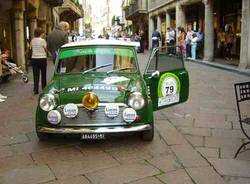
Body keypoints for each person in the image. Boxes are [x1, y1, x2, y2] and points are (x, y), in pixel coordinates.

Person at [30, 28, 47, 95]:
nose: (44, 34)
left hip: (34, 59)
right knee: (43, 74)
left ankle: (36, 89)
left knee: (35, 75)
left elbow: (30, 48)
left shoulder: (32, 40)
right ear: (40, 33)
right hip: (42, 58)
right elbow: (45, 49)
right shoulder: (43, 40)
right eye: (43, 33)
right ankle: (44, 88)